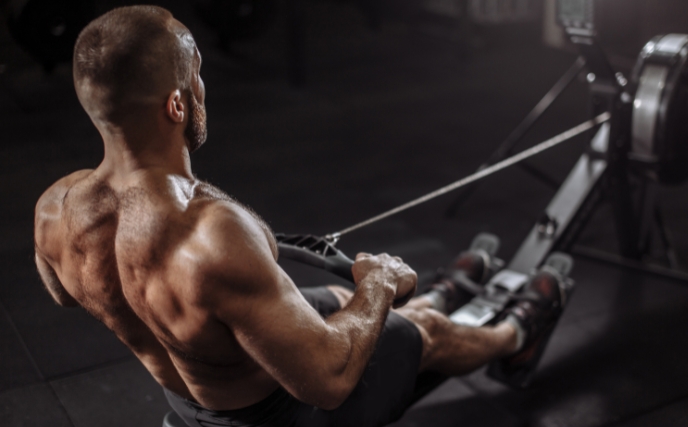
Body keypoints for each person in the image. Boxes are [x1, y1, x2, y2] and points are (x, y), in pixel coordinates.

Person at [33, 6, 572, 427]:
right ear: (177, 105)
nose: (202, 89)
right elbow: (328, 381)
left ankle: (439, 294)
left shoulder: (55, 211)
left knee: (337, 302)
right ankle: (515, 339)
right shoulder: (210, 235)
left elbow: (61, 292)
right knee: (422, 329)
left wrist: (156, 307)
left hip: (188, 386)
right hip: (283, 416)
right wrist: (380, 285)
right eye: (196, 76)